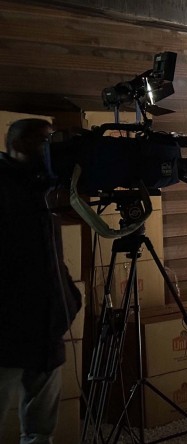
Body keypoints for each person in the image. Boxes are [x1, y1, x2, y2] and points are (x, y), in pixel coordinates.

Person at [0, 119, 82, 442]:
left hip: (46, 325)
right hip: (7, 329)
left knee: (40, 430)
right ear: (19, 145)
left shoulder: (45, 184)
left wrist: (68, 297)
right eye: (44, 141)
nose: (51, 149)